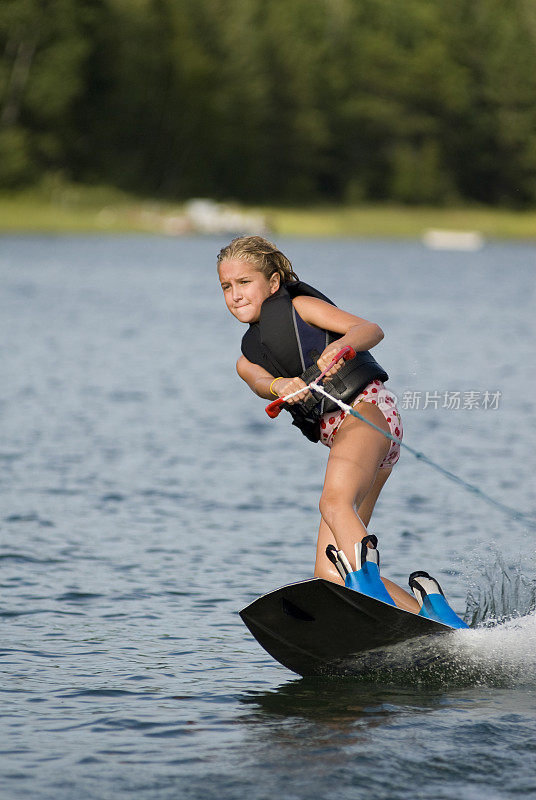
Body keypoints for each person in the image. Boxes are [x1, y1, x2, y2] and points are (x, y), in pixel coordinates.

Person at [218, 235, 419, 613]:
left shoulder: (301, 307)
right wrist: (280, 384)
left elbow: (370, 329)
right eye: (226, 287)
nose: (235, 295)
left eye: (244, 283)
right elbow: (261, 383)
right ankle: (432, 625)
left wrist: (340, 347)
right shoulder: (247, 360)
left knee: (333, 503)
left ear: (273, 283)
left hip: (367, 414)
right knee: (328, 573)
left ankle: (373, 597)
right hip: (355, 441)